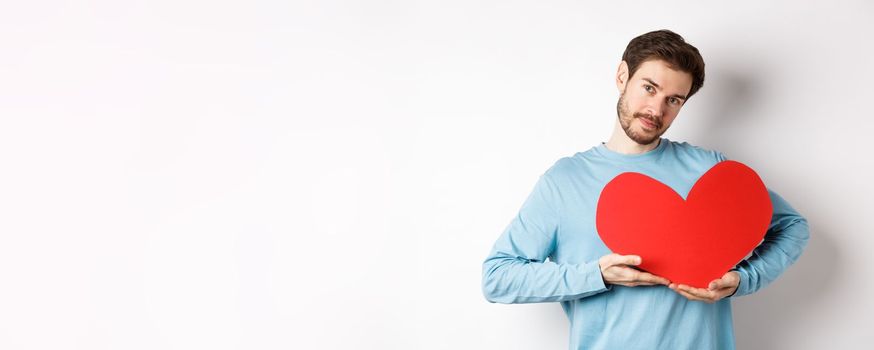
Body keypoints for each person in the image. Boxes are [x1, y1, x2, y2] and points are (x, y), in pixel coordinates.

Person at [481, 29, 810, 349]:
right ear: (622, 76)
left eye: (674, 100)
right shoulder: (566, 180)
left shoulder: (710, 171)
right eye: (649, 88)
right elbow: (498, 277)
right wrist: (597, 275)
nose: (657, 110)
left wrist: (743, 280)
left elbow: (792, 227)